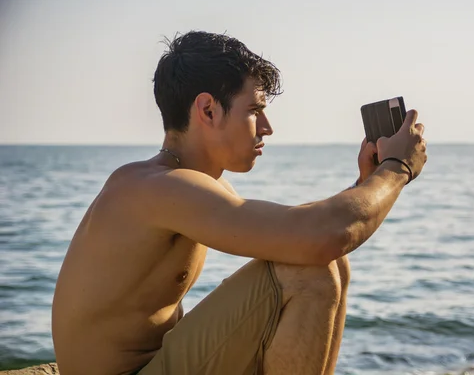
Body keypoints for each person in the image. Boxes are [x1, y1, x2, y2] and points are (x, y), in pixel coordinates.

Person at [51, 30, 428, 375]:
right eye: (254, 110)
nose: (267, 127)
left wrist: (364, 183)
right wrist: (397, 168)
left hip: (157, 363)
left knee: (326, 260)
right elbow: (322, 235)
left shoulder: (183, 186)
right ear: (208, 110)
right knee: (310, 270)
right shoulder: (157, 187)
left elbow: (312, 234)